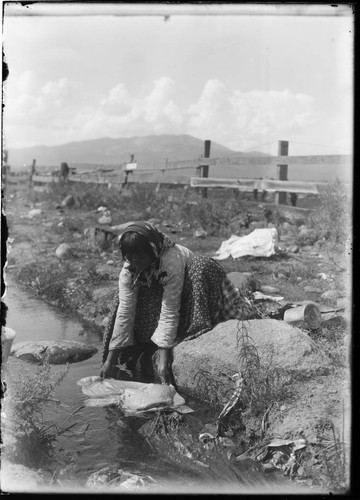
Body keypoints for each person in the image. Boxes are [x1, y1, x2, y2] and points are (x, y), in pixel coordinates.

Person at [100, 221, 256, 384]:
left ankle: (190, 332)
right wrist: (111, 360)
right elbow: (126, 311)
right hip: (161, 302)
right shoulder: (130, 269)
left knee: (202, 265)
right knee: (120, 300)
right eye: (130, 257)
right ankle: (144, 347)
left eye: (140, 256)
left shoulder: (171, 260)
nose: (135, 262)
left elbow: (170, 307)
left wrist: (164, 356)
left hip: (187, 302)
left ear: (152, 250)